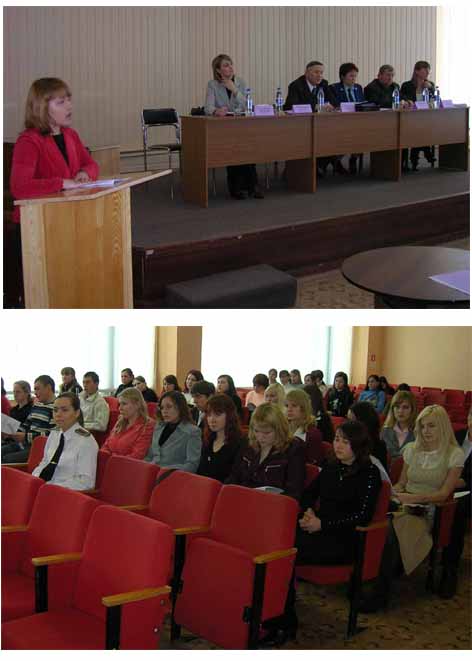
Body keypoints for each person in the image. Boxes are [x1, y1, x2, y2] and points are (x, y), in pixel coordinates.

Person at [261, 420, 382, 644]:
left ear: (358, 445)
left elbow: (362, 516)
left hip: (345, 539)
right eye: (336, 439)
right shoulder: (331, 466)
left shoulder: (370, 473)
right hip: (318, 529)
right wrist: (307, 513)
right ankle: (277, 617)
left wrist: (322, 524)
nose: (338, 445)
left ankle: (284, 623)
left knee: (286, 554)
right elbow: (308, 495)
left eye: (345, 442)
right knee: (277, 547)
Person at [363, 405, 464, 612]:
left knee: (388, 531)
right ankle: (368, 579)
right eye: (422, 426)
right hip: (403, 503)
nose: (426, 431)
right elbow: (402, 482)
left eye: (432, 426)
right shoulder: (412, 449)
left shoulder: (454, 454)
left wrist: (413, 497)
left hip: (429, 510)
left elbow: (443, 494)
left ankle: (381, 593)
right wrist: (394, 491)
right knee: (376, 524)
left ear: (443, 428)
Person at [9, 77, 99, 224]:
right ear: (42, 107)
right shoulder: (28, 141)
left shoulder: (70, 134)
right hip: (36, 223)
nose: (69, 106)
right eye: (61, 102)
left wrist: (84, 173)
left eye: (69, 100)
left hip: (67, 216)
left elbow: (92, 165)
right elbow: (19, 187)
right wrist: (62, 183)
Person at [204, 53, 263, 200]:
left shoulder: (240, 82)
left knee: (247, 149)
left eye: (230, 64)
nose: (230, 67)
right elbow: (208, 107)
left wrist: (234, 90)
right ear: (218, 70)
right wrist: (216, 111)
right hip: (225, 128)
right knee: (232, 150)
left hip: (242, 125)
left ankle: (253, 186)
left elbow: (248, 105)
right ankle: (236, 188)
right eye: (225, 65)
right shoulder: (213, 85)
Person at [227, 403, 305, 501]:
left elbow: (294, 492)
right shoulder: (247, 443)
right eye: (256, 431)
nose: (260, 437)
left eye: (267, 433)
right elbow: (234, 476)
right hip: (243, 500)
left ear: (279, 430)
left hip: (273, 505)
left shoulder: (293, 449)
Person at [32, 392, 97, 491]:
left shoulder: (85, 441)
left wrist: (53, 488)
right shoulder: (54, 433)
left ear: (76, 413)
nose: (58, 414)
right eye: (55, 410)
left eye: (64, 410)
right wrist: (35, 480)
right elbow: (45, 462)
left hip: (65, 494)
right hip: (45, 488)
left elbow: (86, 482)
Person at [440, 407, 472, 598]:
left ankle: (449, 568)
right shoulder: (457, 436)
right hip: (447, 484)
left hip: (468, 490)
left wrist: (455, 482)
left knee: (456, 509)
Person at [2, 374, 56, 463]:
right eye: (35, 389)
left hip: (40, 448)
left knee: (6, 459)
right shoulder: (38, 405)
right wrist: (10, 432)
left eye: (38, 389)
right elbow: (26, 425)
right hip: (25, 444)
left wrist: (25, 437)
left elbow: (52, 435)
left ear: (48, 387)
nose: (35, 392)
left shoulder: (56, 408)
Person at [144, 391, 202, 472]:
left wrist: (166, 471)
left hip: (172, 477)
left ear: (180, 407)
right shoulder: (158, 427)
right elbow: (150, 456)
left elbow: (192, 465)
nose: (164, 411)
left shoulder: (192, 432)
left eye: (169, 406)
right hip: (151, 472)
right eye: (162, 407)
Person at [197, 394, 245, 482]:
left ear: (229, 415)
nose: (212, 419)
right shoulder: (206, 439)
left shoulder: (240, 443)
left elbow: (235, 477)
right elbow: (200, 471)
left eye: (217, 414)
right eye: (209, 415)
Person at [328, 63, 365, 174]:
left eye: (355, 76)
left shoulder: (358, 88)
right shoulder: (333, 88)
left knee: (364, 134)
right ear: (342, 77)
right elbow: (335, 106)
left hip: (357, 122)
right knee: (345, 137)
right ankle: (336, 161)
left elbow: (362, 104)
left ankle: (354, 158)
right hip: (340, 122)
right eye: (351, 76)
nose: (354, 79)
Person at [400, 61, 436, 171]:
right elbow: (405, 100)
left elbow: (434, 100)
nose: (427, 73)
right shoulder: (407, 85)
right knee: (417, 131)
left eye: (428, 71)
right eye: (425, 70)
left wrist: (430, 89)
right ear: (416, 71)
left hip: (424, 118)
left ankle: (416, 158)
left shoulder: (430, 85)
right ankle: (425, 153)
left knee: (421, 130)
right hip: (409, 118)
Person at [102, 387, 154, 459]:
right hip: (110, 464)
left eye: (124, 404)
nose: (120, 408)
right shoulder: (120, 421)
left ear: (137, 405)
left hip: (128, 467)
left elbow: (137, 455)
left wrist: (112, 461)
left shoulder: (147, 425)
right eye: (119, 404)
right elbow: (106, 445)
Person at [286, 389, 324, 465]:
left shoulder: (313, 434)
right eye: (287, 406)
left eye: (294, 405)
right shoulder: (283, 428)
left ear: (304, 408)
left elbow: (313, 465)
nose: (289, 409)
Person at [348, 401, 389, 473]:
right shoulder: (346, 441)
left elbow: (380, 475)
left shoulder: (378, 446)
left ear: (364, 423)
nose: (349, 425)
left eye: (353, 421)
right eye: (349, 421)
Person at [381, 390, 417, 460]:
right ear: (392, 409)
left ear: (412, 410)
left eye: (405, 407)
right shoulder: (385, 431)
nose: (400, 411)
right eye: (397, 407)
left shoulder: (418, 432)